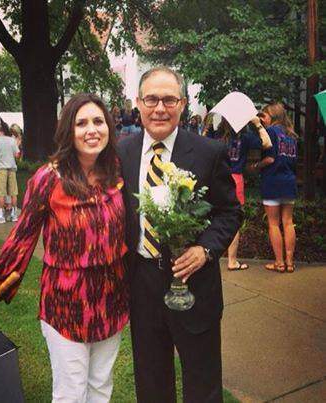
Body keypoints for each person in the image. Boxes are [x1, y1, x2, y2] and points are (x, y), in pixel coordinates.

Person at [0, 93, 129, 402]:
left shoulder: (117, 172)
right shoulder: (48, 178)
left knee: (100, 387)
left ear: (109, 127)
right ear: (68, 131)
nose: (91, 130)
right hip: (65, 303)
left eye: (98, 121)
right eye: (81, 123)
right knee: (71, 392)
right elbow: (22, 237)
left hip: (111, 299)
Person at [117, 66, 242, 403]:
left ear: (183, 104)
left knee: (203, 385)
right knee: (152, 381)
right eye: (152, 99)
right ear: (138, 103)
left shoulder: (207, 152)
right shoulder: (120, 153)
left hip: (195, 285)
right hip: (141, 285)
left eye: (169, 100)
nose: (160, 108)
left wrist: (205, 249)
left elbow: (230, 212)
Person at [209, 118, 272, 270]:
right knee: (233, 220)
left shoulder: (216, 136)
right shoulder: (245, 137)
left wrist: (206, 126)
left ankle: (211, 256)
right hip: (235, 179)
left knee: (213, 217)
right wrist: (257, 124)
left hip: (216, 179)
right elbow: (267, 144)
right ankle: (232, 261)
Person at [251, 103, 298, 273]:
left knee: (273, 224)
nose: (263, 118)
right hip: (289, 181)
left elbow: (270, 159)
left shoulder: (270, 132)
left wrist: (256, 165)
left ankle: (279, 263)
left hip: (273, 181)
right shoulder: (291, 135)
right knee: (288, 222)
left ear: (273, 116)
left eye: (265, 115)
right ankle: (290, 262)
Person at [0, 120, 20, 223]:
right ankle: (14, 215)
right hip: (11, 168)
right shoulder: (12, 140)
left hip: (0, 168)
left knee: (1, 193)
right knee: (13, 193)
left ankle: (1, 216)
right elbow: (17, 154)